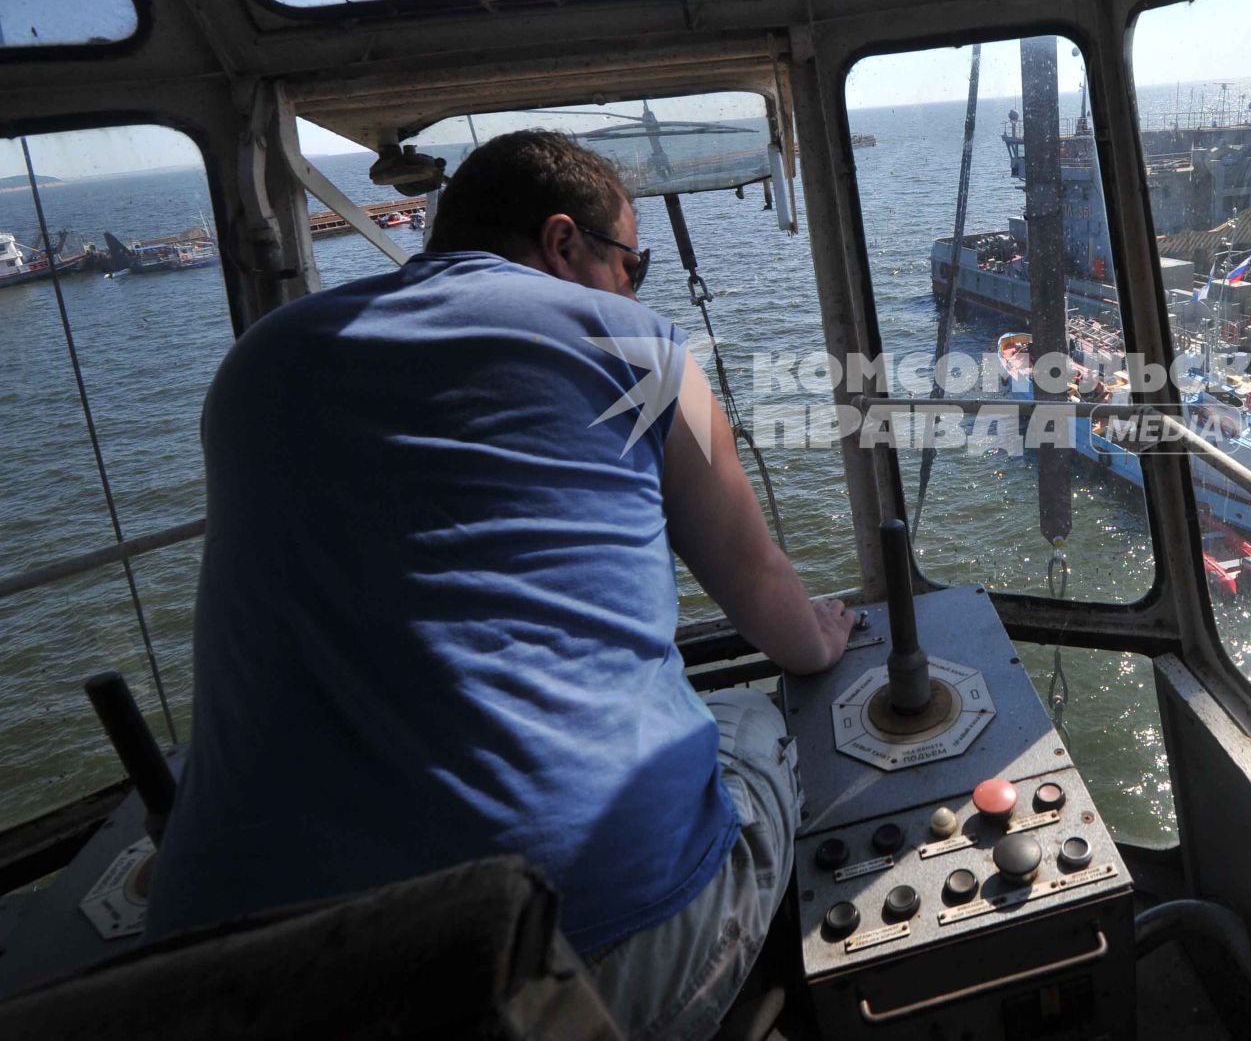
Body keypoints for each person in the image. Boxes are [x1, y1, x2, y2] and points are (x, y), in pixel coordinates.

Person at [147, 131, 855, 1040]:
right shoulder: (637, 347)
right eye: (630, 263)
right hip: (581, 958)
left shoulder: (257, 359)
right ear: (564, 242)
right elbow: (760, 590)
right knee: (753, 725)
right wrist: (821, 639)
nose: (636, 289)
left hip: (243, 983)